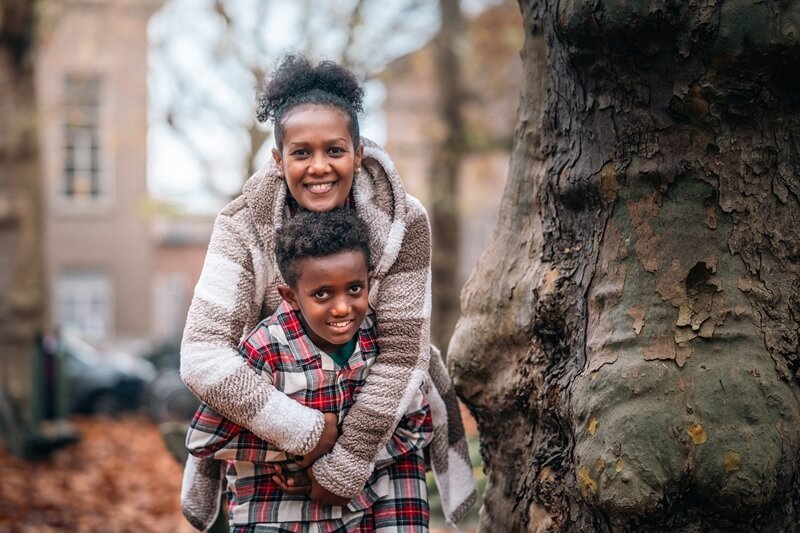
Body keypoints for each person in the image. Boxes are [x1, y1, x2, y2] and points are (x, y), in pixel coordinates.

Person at [179, 54, 476, 530]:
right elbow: (202, 355)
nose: (319, 167)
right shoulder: (241, 226)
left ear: (358, 152)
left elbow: (402, 354)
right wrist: (305, 434)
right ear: (279, 160)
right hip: (278, 409)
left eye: (334, 150)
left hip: (379, 414)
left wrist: (346, 462)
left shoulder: (404, 221)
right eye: (301, 153)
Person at [187, 209, 433, 531]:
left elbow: (417, 425)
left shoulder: (383, 343)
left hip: (366, 501)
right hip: (276, 507)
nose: (343, 307)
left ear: (370, 283)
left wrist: (339, 459)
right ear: (291, 297)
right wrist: (296, 448)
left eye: (355, 289)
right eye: (322, 294)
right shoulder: (266, 349)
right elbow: (204, 439)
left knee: (405, 477)